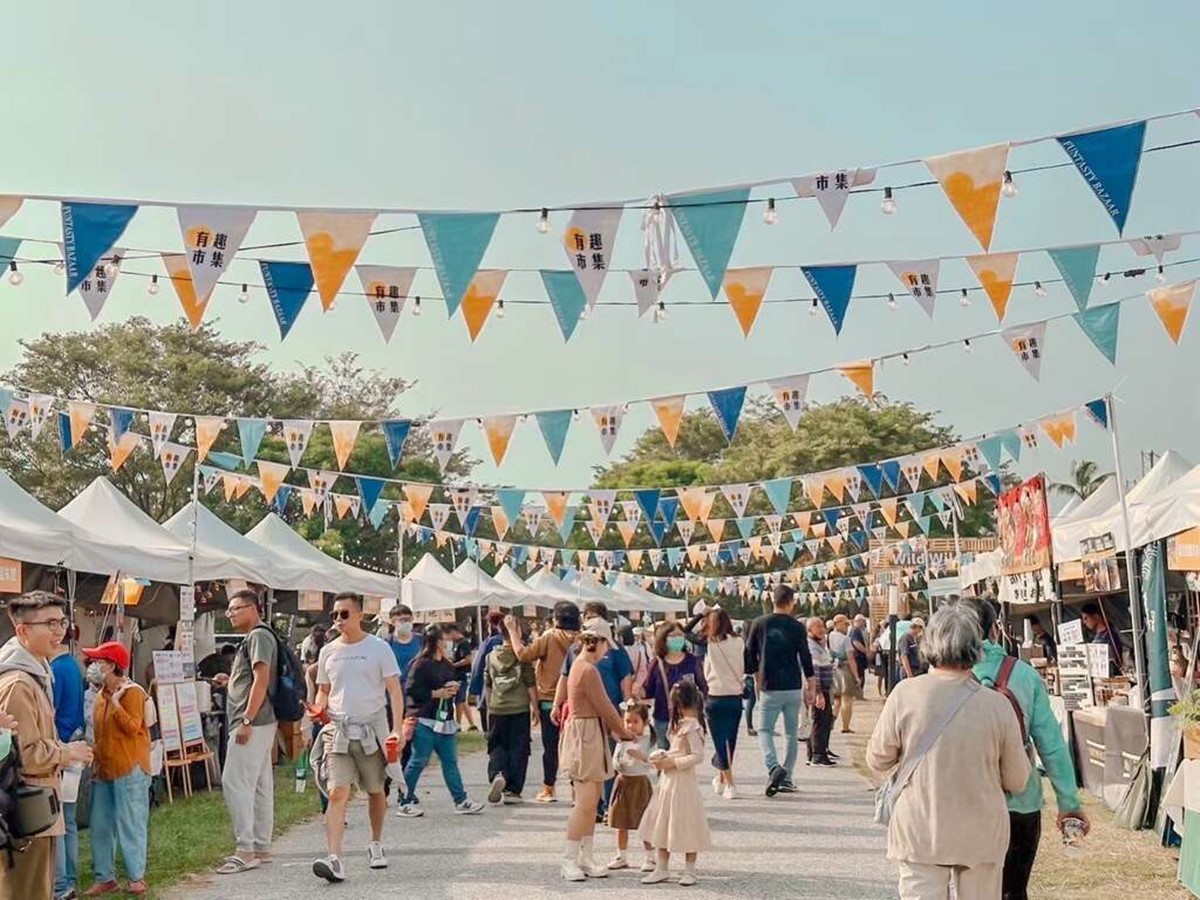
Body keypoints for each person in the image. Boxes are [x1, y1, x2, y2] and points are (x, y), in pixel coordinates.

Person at [867, 603, 1031, 900]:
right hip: (981, 829)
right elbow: (1018, 780)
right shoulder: (997, 705)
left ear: (928, 644)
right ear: (975, 646)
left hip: (921, 826)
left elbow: (878, 758)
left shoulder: (905, 694)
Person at [969, 599, 1090, 900]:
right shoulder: (1022, 674)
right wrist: (1069, 802)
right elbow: (1051, 743)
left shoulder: (946, 675)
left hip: (965, 799)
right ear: (995, 629)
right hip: (1020, 797)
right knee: (1013, 890)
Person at [0, 591, 93, 900]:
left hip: (36, 809)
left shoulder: (38, 672)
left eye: (62, 621)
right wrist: (69, 752)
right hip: (26, 811)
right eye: (49, 623)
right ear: (23, 631)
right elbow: (26, 756)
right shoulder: (19, 683)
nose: (59, 631)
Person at [309, 592, 407, 883]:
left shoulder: (378, 648)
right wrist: (317, 708)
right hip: (337, 730)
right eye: (334, 615)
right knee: (337, 791)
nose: (338, 619)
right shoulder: (328, 651)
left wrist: (397, 729)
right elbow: (324, 691)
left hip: (371, 729)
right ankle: (335, 859)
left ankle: (375, 843)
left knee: (376, 791)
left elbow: (394, 690)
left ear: (359, 615)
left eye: (344, 614)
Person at [558, 624, 631, 881]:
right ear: (596, 642)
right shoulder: (587, 669)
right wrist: (624, 732)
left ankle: (585, 856)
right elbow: (606, 707)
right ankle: (568, 858)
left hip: (589, 731)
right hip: (586, 733)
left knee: (591, 803)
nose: (605, 652)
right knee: (586, 802)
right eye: (604, 646)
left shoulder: (581, 666)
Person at [214, 589, 278, 876]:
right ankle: (261, 846)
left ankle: (245, 849)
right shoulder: (257, 636)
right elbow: (253, 679)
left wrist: (247, 721)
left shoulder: (258, 636)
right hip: (262, 720)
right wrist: (231, 681)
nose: (230, 614)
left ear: (253, 609)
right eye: (229, 609)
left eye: (236, 608)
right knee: (260, 784)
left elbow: (261, 679)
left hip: (253, 721)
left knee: (234, 781)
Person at [82, 641, 153, 896]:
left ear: (111, 665)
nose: (92, 666)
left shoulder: (133, 692)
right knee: (100, 824)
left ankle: (136, 877)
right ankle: (105, 876)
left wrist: (116, 704)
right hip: (104, 767)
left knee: (131, 823)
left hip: (129, 767)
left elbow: (133, 727)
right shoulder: (100, 694)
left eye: (98, 661)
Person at [397, 624, 484, 818]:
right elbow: (410, 690)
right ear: (437, 642)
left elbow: (449, 681)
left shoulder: (446, 664)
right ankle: (405, 800)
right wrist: (434, 693)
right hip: (424, 719)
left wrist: (452, 688)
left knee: (450, 761)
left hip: (444, 719)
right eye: (445, 640)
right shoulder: (419, 664)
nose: (448, 644)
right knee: (418, 760)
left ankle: (460, 799)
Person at [639, 680, 712, 887]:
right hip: (668, 781)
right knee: (662, 822)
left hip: (683, 782)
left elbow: (697, 756)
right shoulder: (680, 724)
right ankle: (662, 867)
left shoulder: (693, 726)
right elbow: (677, 749)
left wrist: (673, 762)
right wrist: (663, 756)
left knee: (686, 822)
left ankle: (689, 870)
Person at [744, 584, 814, 797]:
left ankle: (774, 767)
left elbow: (748, 654)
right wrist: (811, 683)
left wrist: (756, 676)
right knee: (791, 733)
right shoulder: (797, 626)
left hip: (769, 684)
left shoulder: (759, 623)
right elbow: (805, 655)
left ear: (772, 600)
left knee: (765, 730)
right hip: (792, 683)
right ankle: (787, 777)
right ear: (791, 602)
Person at [508, 600, 579, 804]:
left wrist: (513, 632)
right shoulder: (582, 640)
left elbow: (523, 654)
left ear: (556, 619)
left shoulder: (549, 637)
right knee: (575, 746)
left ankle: (549, 788)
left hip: (549, 699)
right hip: (575, 700)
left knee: (551, 747)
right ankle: (576, 789)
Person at [484, 618, 537, 804]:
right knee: (519, 748)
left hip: (497, 707)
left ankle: (498, 773)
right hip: (519, 707)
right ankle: (513, 790)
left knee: (497, 744)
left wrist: (490, 707)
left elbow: (487, 684)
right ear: (518, 632)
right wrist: (535, 708)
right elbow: (530, 683)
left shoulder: (490, 656)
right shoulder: (522, 656)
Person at [637, 620, 707, 751]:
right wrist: (638, 690)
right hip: (663, 718)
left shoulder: (692, 661)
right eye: (673, 635)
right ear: (663, 638)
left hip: (687, 719)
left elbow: (703, 688)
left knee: (685, 758)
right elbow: (649, 690)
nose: (678, 638)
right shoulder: (657, 663)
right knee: (664, 758)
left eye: (680, 635)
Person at [51, 643, 86, 900]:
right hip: (77, 744)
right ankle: (70, 880)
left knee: (58, 822)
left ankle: (60, 885)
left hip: (62, 749)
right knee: (69, 820)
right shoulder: (73, 666)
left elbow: (49, 712)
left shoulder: (55, 670)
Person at [605, 701, 655, 872]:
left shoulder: (647, 741)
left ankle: (650, 857)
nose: (631, 726)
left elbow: (653, 762)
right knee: (621, 822)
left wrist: (642, 756)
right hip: (623, 781)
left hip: (639, 782)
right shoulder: (622, 740)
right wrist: (619, 762)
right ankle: (621, 855)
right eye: (627, 721)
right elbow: (615, 760)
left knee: (645, 821)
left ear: (645, 723)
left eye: (635, 722)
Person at [701, 607, 744, 799]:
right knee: (730, 740)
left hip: (715, 694)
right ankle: (720, 777)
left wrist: (700, 615)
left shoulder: (709, 643)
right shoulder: (739, 641)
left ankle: (730, 783)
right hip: (735, 694)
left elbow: (686, 632)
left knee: (719, 741)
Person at [468, 611, 507, 733]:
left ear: (491, 625)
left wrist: (474, 689)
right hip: (510, 692)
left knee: (489, 720)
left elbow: (478, 666)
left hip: (489, 687)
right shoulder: (514, 641)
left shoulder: (489, 642)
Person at [805, 617, 835, 768]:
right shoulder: (812, 647)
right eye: (818, 627)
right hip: (819, 688)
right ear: (809, 630)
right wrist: (818, 693)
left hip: (824, 687)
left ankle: (817, 752)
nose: (822, 629)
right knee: (821, 720)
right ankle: (817, 754)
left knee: (826, 719)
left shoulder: (819, 644)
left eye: (822, 626)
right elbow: (814, 671)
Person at [828, 614, 858, 733]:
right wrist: (856, 676)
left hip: (831, 669)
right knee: (847, 699)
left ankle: (832, 719)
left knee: (836, 699)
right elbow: (851, 658)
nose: (847, 627)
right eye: (845, 624)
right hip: (844, 669)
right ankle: (845, 726)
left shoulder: (829, 636)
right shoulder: (846, 639)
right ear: (839, 623)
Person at [447, 623, 478, 732]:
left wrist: (454, 665)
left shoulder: (464, 643)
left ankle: (458, 724)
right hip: (456, 674)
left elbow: (468, 659)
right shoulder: (456, 643)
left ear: (454, 631)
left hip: (462, 675)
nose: (449, 638)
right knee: (463, 701)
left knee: (459, 701)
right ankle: (472, 724)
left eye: (449, 635)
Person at [1080, 603, 1123, 675]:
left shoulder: (1109, 635)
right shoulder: (1098, 636)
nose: (1084, 622)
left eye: (1086, 618)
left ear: (1096, 616)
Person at [849, 614, 871, 701]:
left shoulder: (856, 630)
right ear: (859, 621)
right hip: (857, 657)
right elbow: (856, 643)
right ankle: (858, 694)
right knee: (859, 676)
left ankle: (858, 694)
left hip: (858, 657)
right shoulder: (855, 631)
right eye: (863, 621)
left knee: (860, 675)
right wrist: (866, 651)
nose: (864, 623)